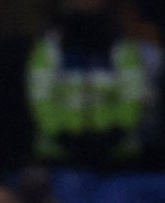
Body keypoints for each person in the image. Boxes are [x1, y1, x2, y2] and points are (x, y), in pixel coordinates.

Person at [27, 0, 147, 170]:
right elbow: (39, 97)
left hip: (118, 156)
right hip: (59, 157)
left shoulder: (121, 47)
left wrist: (117, 132)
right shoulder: (50, 47)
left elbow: (133, 95)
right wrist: (61, 135)